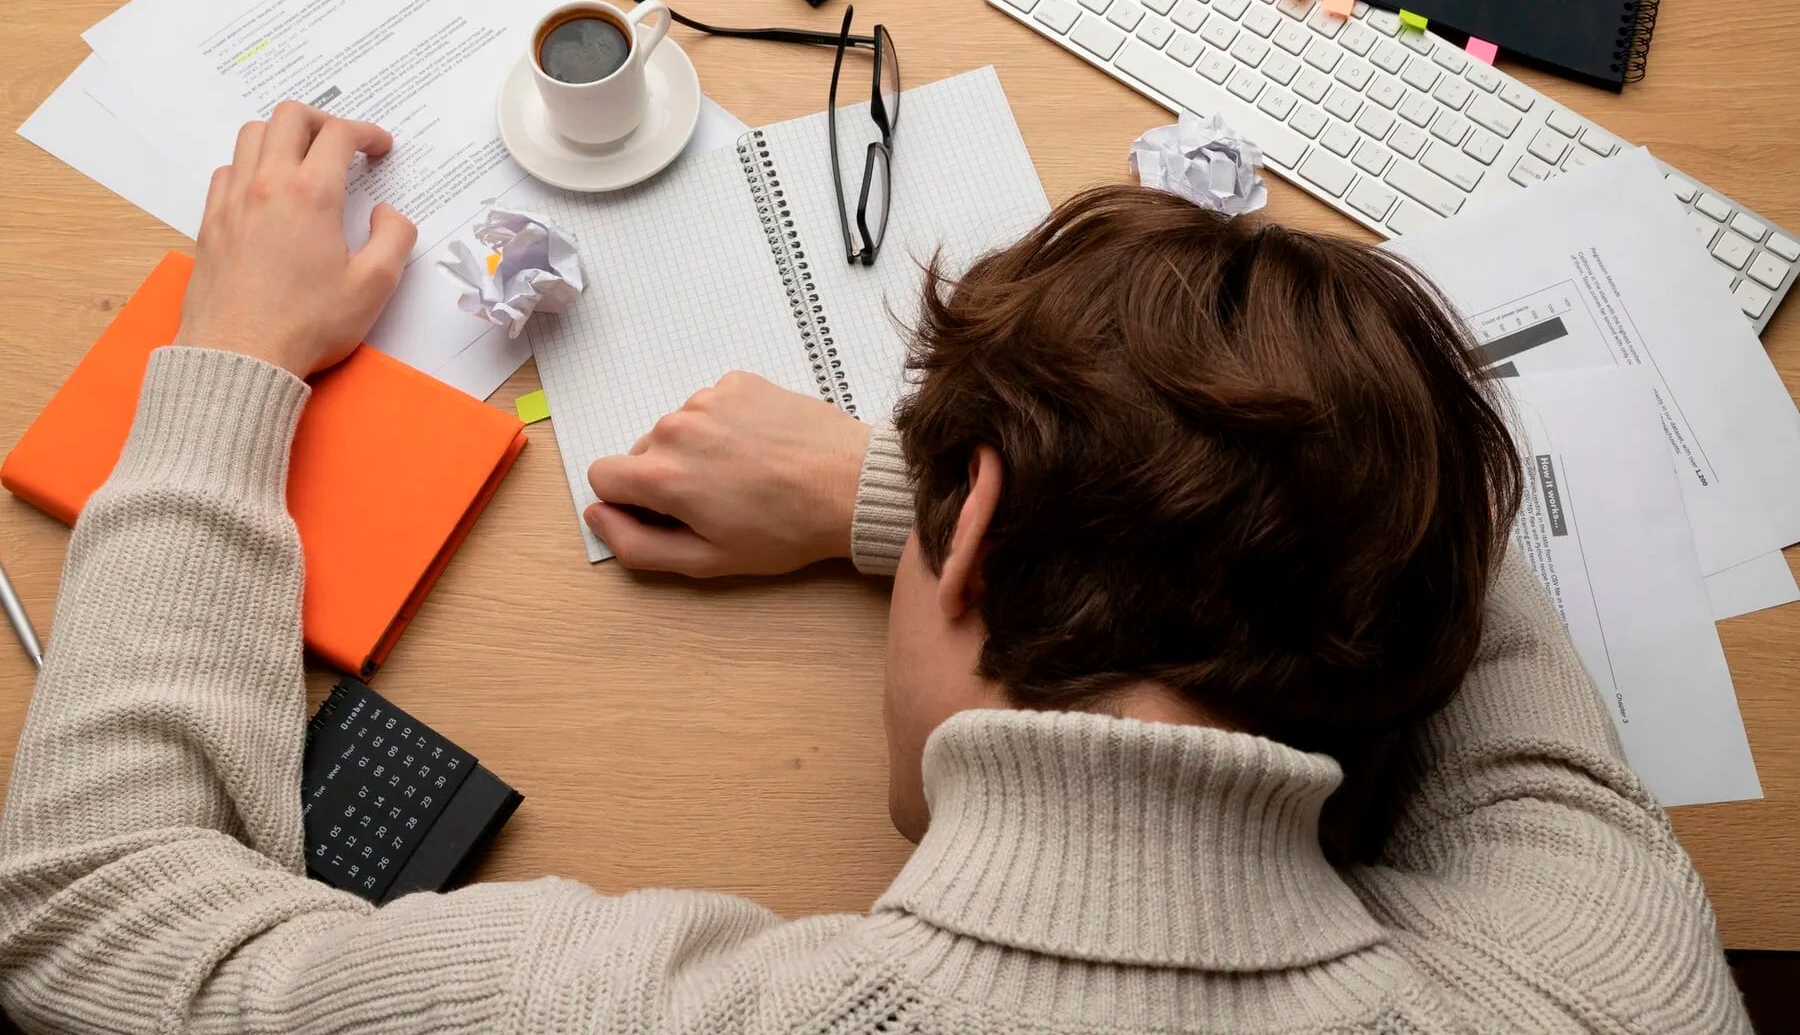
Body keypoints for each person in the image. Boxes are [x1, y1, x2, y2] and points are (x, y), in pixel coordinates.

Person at [0, 104, 1747, 1033]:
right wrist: (950, 491)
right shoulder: (1601, 993)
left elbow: (88, 913)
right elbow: (1447, 524)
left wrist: (229, 360)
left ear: (963, 529)